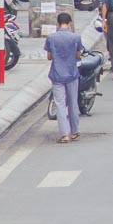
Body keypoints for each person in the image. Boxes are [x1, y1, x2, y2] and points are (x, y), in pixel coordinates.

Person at [38, 8, 87, 143]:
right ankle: (74, 131)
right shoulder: (75, 37)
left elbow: (49, 57)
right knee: (73, 104)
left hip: (57, 74)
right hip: (72, 73)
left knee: (60, 104)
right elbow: (78, 55)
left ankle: (64, 134)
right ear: (69, 23)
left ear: (58, 23)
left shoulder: (51, 37)